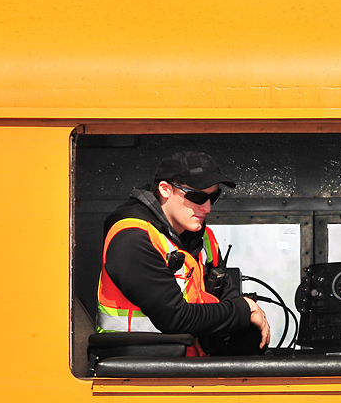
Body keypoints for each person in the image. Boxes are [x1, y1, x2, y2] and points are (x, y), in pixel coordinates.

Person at [96, 151, 270, 355]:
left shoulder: (205, 240)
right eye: (197, 196)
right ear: (165, 189)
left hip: (187, 361)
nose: (207, 208)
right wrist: (245, 309)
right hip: (137, 364)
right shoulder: (132, 237)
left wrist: (249, 323)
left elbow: (228, 300)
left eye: (213, 197)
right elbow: (174, 317)